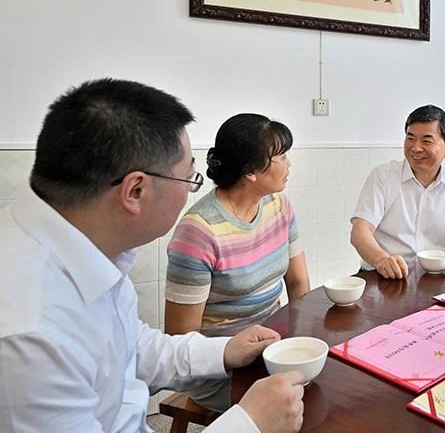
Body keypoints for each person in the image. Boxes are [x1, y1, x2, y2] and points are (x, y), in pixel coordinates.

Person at [0, 79, 303, 432]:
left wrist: (224, 351)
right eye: (189, 179)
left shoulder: (85, 248)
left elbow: (134, 346)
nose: (193, 192)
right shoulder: (31, 334)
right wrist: (249, 423)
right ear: (136, 190)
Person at [165, 113, 310, 411]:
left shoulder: (279, 206)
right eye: (282, 156)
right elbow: (180, 338)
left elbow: (298, 282)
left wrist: (301, 342)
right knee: (302, 405)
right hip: (219, 368)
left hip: (272, 347)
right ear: (251, 172)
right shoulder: (199, 231)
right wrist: (233, 352)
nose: (289, 163)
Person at [350, 105, 445, 282]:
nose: (415, 148)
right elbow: (360, 231)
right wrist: (381, 259)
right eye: (410, 138)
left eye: (426, 141)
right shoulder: (383, 176)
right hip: (380, 277)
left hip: (430, 280)